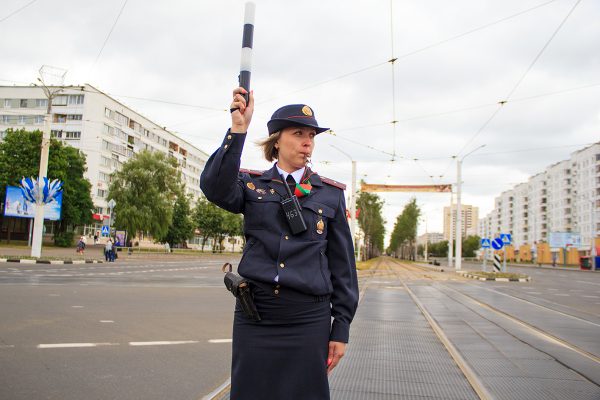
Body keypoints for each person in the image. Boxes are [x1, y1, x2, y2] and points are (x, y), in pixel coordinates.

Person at [200, 87, 359, 400]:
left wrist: (340, 328)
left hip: (307, 320)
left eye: (311, 135)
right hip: (256, 316)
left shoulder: (329, 194)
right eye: (298, 133)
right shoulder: (250, 186)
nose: (307, 141)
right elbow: (214, 187)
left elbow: (344, 268)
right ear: (277, 140)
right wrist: (238, 130)